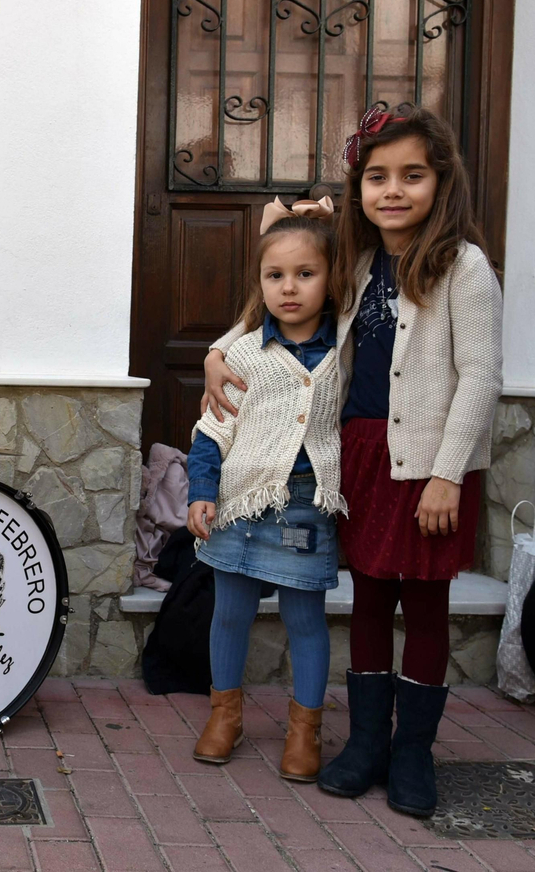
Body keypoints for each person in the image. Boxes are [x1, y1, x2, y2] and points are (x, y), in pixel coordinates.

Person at [202, 107, 502, 816]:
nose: (393, 190)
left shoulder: (463, 266)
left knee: (424, 608)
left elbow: (481, 377)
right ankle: (365, 743)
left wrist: (447, 474)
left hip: (431, 468)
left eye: (412, 175)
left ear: (442, 181)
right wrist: (220, 348)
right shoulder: (359, 262)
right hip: (362, 456)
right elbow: (281, 303)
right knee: (368, 602)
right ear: (359, 187)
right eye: (377, 177)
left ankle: (412, 754)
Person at [185, 198, 353, 783]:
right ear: (260, 282)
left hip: (307, 502)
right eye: (275, 275)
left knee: (304, 616)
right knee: (229, 613)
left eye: (306, 274)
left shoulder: (347, 345)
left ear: (332, 279)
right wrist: (200, 493)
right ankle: (224, 716)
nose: (290, 288)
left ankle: (304, 730)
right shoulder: (242, 353)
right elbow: (212, 429)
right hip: (240, 497)